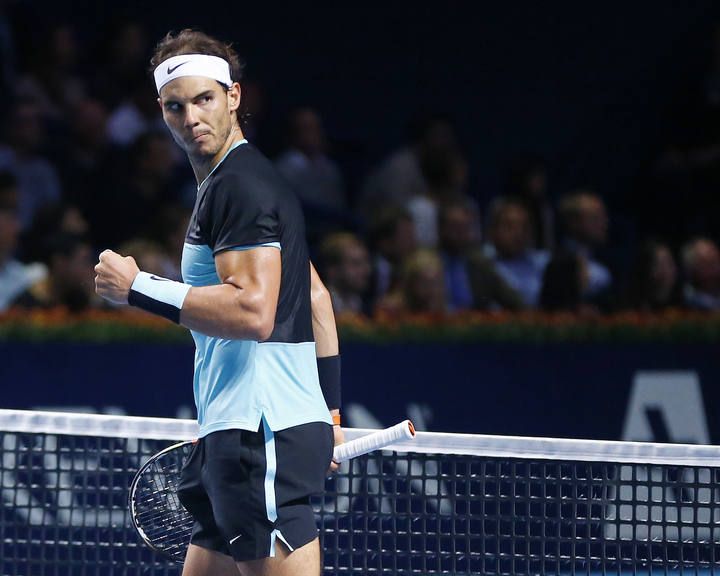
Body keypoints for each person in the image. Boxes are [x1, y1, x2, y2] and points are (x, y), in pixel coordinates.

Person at [94, 30, 343, 576]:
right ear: (161, 111)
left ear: (234, 96)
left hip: (259, 430)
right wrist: (326, 408)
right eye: (176, 106)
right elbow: (318, 299)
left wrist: (138, 286)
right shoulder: (240, 183)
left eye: (204, 99)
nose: (191, 118)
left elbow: (254, 312)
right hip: (243, 426)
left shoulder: (239, 186)